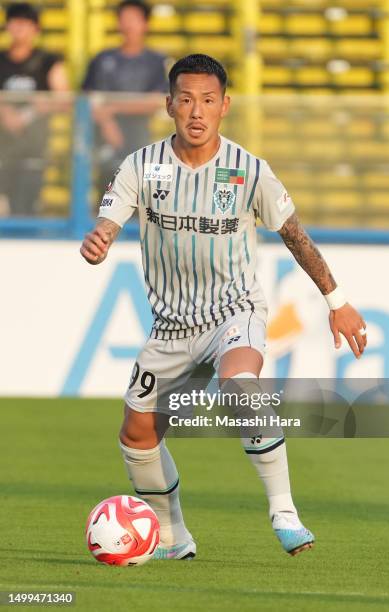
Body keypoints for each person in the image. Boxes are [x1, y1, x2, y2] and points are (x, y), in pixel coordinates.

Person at [80, 54, 368, 559]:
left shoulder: (249, 171)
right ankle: (173, 535)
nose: (197, 111)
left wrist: (336, 301)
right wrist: (100, 239)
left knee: (240, 385)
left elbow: (295, 236)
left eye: (208, 101)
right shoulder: (141, 166)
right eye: (186, 100)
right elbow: (110, 219)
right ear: (169, 104)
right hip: (171, 327)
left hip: (234, 312)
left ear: (224, 106)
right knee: (137, 434)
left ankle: (284, 512)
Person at [82, 0, 168, 194]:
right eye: (124, 18)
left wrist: (112, 109)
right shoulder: (102, 59)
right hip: (104, 143)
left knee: (141, 204)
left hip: (142, 143)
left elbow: (156, 102)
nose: (128, 24)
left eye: (134, 19)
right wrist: (106, 121)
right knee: (106, 203)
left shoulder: (156, 61)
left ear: (146, 24)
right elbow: (87, 98)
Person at [0, 2, 69, 215]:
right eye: (15, 22)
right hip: (2, 148)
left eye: (25, 23)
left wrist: (31, 112)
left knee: (26, 205)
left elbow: (65, 98)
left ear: (35, 29)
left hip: (34, 148)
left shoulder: (48, 61)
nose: (19, 28)